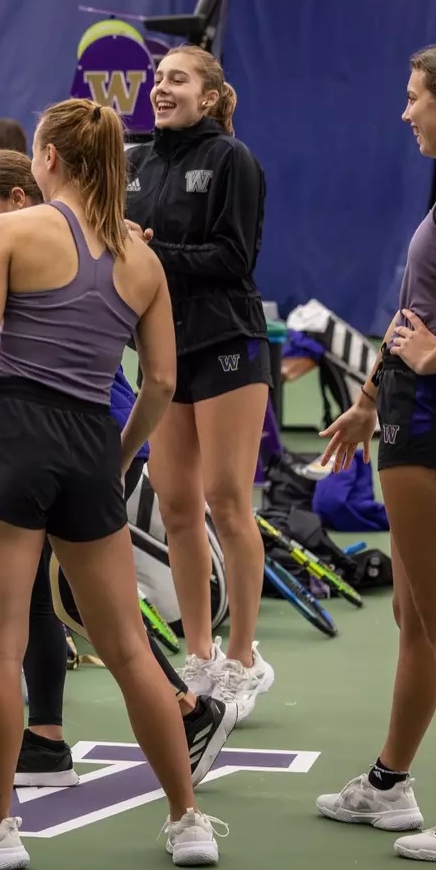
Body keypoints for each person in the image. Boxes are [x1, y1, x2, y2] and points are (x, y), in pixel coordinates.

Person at [0, 152, 236, 791]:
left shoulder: (27, 239)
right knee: (54, 603)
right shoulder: (86, 247)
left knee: (72, 616)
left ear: (25, 190)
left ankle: (182, 714)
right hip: (94, 446)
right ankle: (56, 741)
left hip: (61, 441)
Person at [0, 99, 224, 870]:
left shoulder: (12, 232)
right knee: (127, 646)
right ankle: (188, 819)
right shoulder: (141, 260)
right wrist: (119, 455)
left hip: (14, 437)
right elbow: (158, 382)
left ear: (49, 159)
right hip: (93, 440)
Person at [316, 43, 436, 861]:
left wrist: (429, 363)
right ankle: (390, 785)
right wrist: (368, 399)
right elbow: (419, 309)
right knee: (414, 613)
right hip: (410, 404)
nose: (405, 112)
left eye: (414, 98)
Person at [125, 46, 272, 722]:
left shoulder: (231, 161)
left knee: (226, 501)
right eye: (158, 80)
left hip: (226, 345)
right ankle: (201, 652)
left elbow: (233, 257)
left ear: (210, 95)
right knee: (178, 505)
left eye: (176, 79)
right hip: (162, 353)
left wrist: (149, 251)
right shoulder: (135, 163)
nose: (162, 88)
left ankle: (243, 659)